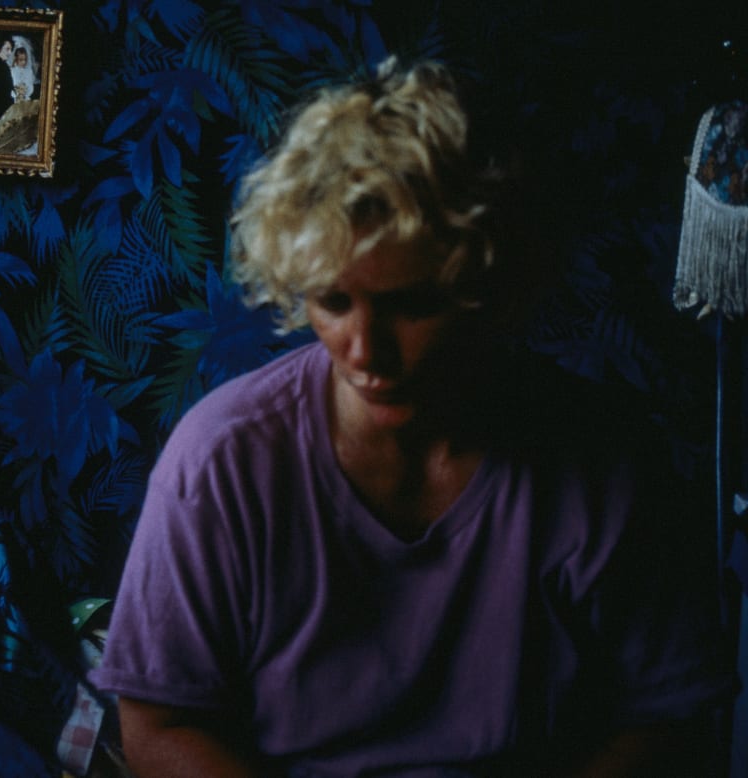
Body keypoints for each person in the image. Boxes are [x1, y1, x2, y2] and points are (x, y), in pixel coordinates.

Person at [89, 59, 738, 776]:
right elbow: (156, 726)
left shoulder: (602, 461)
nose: (367, 353)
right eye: (332, 302)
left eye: (413, 304)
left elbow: (665, 720)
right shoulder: (220, 462)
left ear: (485, 284)